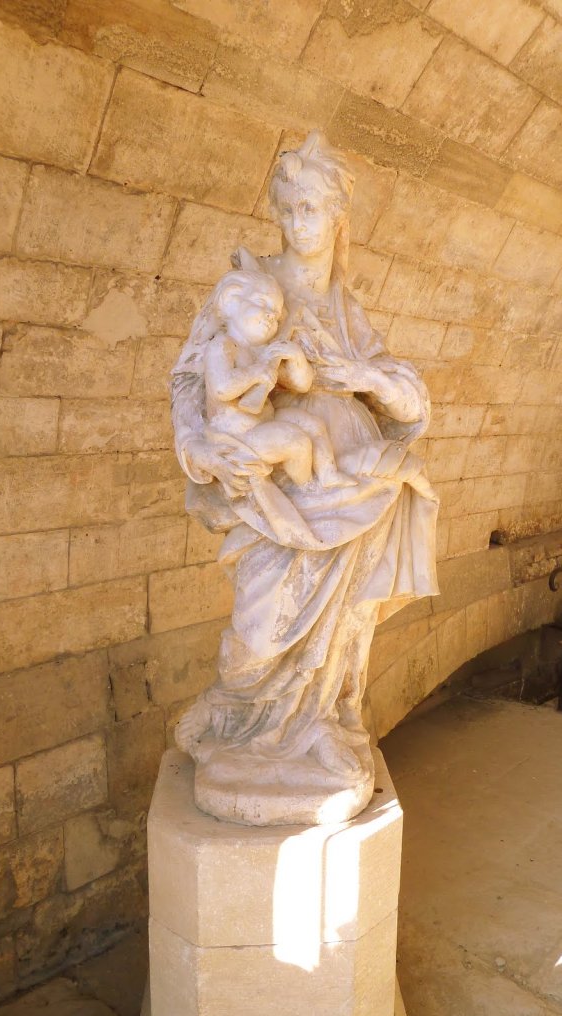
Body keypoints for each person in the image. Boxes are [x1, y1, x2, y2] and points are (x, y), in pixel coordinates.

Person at [170, 132, 439, 795]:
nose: (296, 224)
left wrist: (367, 379)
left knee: (342, 628)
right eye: (286, 208)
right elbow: (186, 379)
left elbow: (403, 405)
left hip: (350, 487)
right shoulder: (250, 288)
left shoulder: (347, 309)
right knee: (260, 628)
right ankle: (238, 719)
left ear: (336, 217)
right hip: (277, 491)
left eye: (311, 209)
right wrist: (195, 446)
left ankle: (320, 721)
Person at [203, 267, 356, 494]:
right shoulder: (222, 346)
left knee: (313, 425)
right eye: (262, 304)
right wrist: (256, 373)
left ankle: (328, 474)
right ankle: (307, 489)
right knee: (296, 442)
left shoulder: (262, 352)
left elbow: (301, 385)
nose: (269, 316)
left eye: (275, 315)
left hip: (264, 421)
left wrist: (296, 358)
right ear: (231, 300)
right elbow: (222, 388)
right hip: (238, 435)